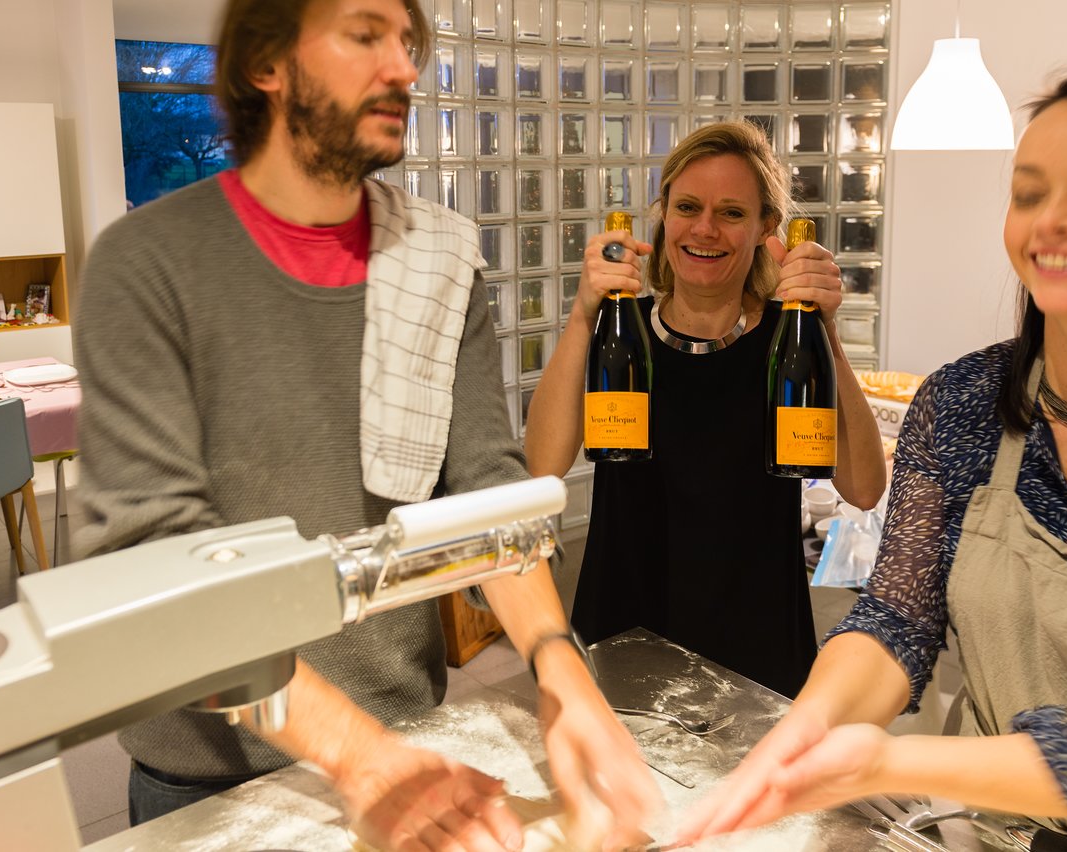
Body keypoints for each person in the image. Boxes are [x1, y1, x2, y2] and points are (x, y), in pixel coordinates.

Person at [73, 1, 659, 849]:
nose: (404, 69)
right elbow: (152, 559)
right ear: (266, 65)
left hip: (407, 729)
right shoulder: (148, 264)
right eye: (365, 35)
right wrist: (357, 756)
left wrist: (563, 676)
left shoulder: (440, 256)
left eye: (408, 43)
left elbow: (490, 491)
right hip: (209, 771)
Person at [677, 71, 1067, 851]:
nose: (1054, 222)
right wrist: (803, 727)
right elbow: (898, 616)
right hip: (988, 831)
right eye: (1029, 193)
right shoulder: (963, 402)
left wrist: (887, 758)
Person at [525, 122, 887, 699]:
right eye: (688, 207)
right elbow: (542, 465)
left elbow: (865, 486)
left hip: (757, 642)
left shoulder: (787, 339)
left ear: (768, 226)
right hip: (624, 627)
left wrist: (826, 331)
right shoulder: (622, 330)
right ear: (663, 214)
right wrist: (580, 316)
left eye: (732, 213)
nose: (705, 229)